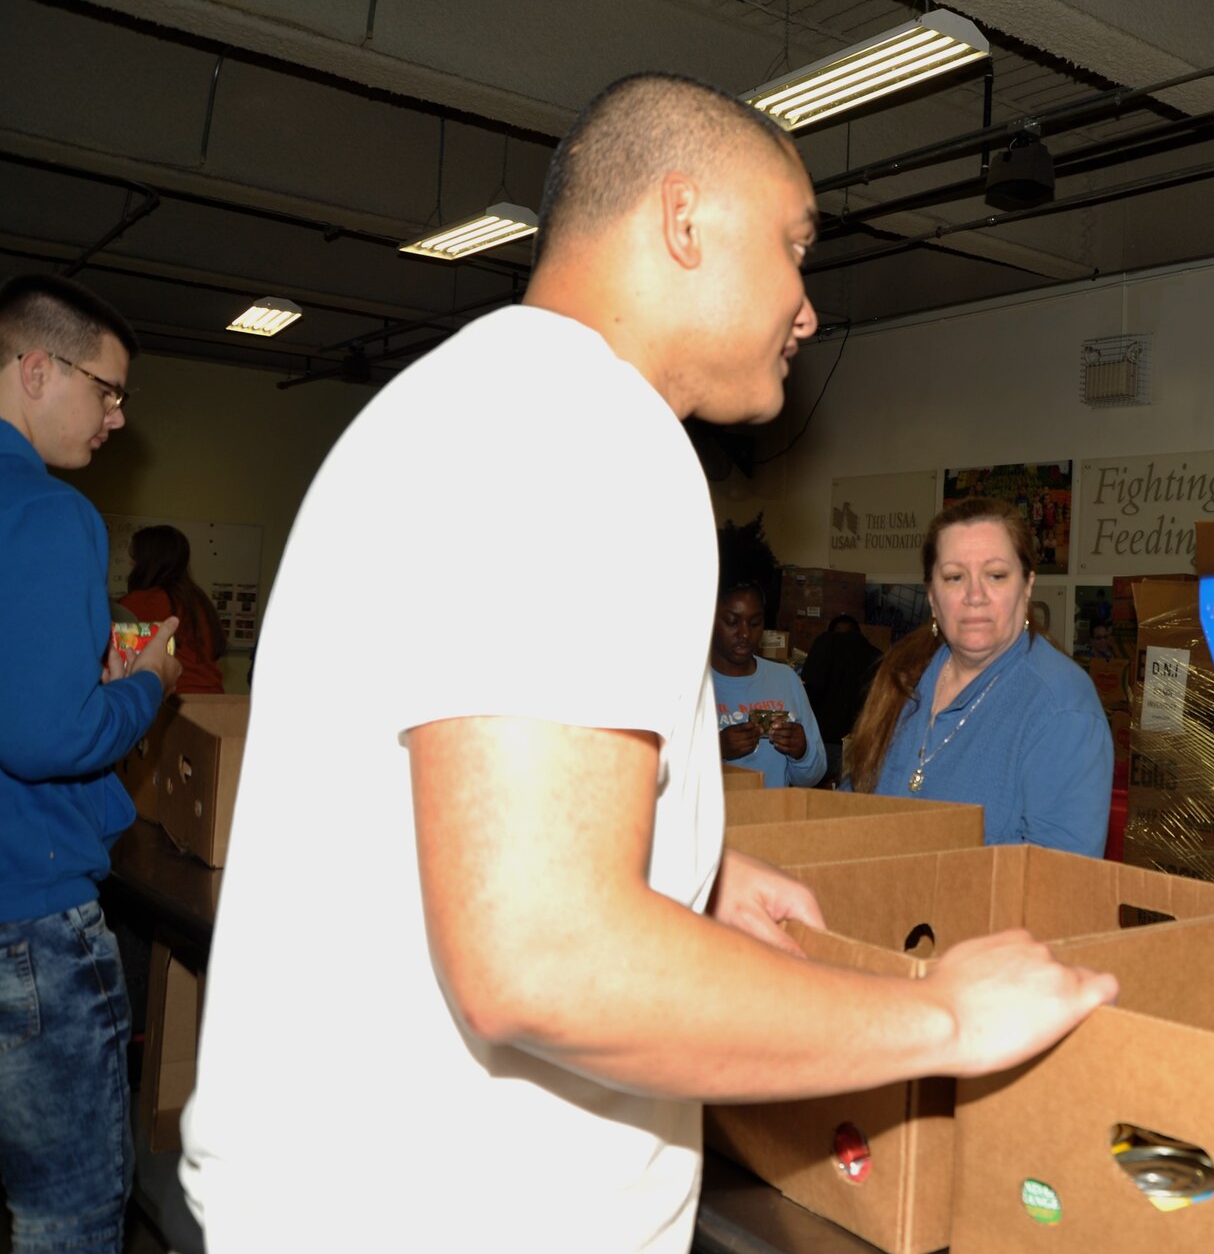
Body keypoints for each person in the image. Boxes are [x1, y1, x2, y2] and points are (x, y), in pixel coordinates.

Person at [177, 74, 1114, 1254]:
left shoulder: (462, 402)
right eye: (792, 245)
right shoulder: (585, 432)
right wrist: (938, 1018)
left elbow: (475, 820)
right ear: (684, 222)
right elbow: (544, 955)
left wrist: (696, 867)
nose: (808, 307)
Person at [0, 274, 180, 1254]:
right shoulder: (50, 511)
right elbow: (47, 735)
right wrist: (146, 680)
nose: (115, 416)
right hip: (30, 925)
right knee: (67, 1208)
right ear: (36, 367)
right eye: (107, 389)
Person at [843, 499, 1113, 856]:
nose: (974, 596)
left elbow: (1057, 881)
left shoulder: (1063, 707)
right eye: (955, 577)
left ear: (1027, 585)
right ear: (932, 596)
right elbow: (848, 808)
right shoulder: (902, 676)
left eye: (996, 575)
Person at [712, 582, 826, 788]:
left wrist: (802, 753)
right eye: (732, 622)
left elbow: (813, 776)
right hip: (710, 818)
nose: (745, 634)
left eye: (755, 623)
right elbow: (653, 773)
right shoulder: (688, 686)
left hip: (772, 816)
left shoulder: (785, 680)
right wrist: (714, 749)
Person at [118, 524, 225, 694]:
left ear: (146, 561)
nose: (131, 562)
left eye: (135, 557)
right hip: (215, 699)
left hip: (177, 701)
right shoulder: (196, 598)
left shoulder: (143, 602)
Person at [797, 614, 881, 787]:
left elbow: (807, 694)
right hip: (859, 748)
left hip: (820, 744)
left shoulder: (823, 649)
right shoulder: (876, 657)